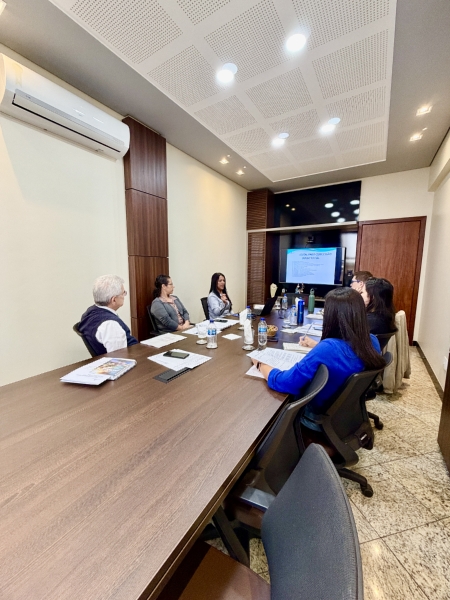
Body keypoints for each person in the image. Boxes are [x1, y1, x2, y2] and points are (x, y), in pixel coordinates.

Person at [252, 288, 385, 414]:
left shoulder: (329, 349)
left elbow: (284, 382)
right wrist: (316, 345)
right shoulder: (372, 341)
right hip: (346, 410)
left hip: (317, 410)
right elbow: (345, 352)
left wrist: (261, 364)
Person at [78, 274, 138, 355]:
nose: (124, 296)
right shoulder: (111, 325)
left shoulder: (90, 312)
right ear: (114, 300)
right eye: (123, 293)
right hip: (134, 357)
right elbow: (120, 357)